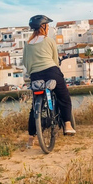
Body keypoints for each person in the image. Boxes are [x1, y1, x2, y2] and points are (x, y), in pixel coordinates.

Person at [23, 15, 76, 148]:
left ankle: (31, 138)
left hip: (35, 75)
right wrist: (58, 74)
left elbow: (25, 62)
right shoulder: (49, 41)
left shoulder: (27, 45)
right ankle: (68, 125)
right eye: (47, 26)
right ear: (43, 27)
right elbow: (55, 60)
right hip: (51, 71)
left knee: (35, 105)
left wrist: (32, 73)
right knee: (64, 97)